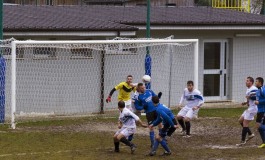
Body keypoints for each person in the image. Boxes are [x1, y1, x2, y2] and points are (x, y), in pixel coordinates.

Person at [133, 83, 162, 147]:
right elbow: (137, 107)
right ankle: (153, 143)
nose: (144, 89)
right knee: (151, 127)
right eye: (142, 88)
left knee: (160, 124)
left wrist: (159, 96)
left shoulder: (150, 91)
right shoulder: (137, 97)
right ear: (139, 89)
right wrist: (143, 107)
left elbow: (156, 98)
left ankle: (162, 139)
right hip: (149, 113)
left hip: (156, 110)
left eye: (144, 87)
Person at [236, 77, 258, 146]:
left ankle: (242, 141)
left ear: (251, 82)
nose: (246, 82)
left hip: (253, 108)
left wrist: (249, 97)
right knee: (240, 120)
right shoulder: (248, 89)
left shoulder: (254, 88)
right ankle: (250, 134)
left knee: (245, 123)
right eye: (246, 81)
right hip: (250, 108)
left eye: (247, 81)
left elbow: (256, 97)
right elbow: (249, 99)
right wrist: (245, 102)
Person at [254, 77, 265, 148]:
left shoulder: (263, 90)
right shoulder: (257, 91)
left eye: (256, 81)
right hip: (259, 111)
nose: (255, 82)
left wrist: (259, 102)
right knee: (258, 127)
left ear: (260, 83)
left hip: (263, 111)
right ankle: (264, 142)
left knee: (261, 127)